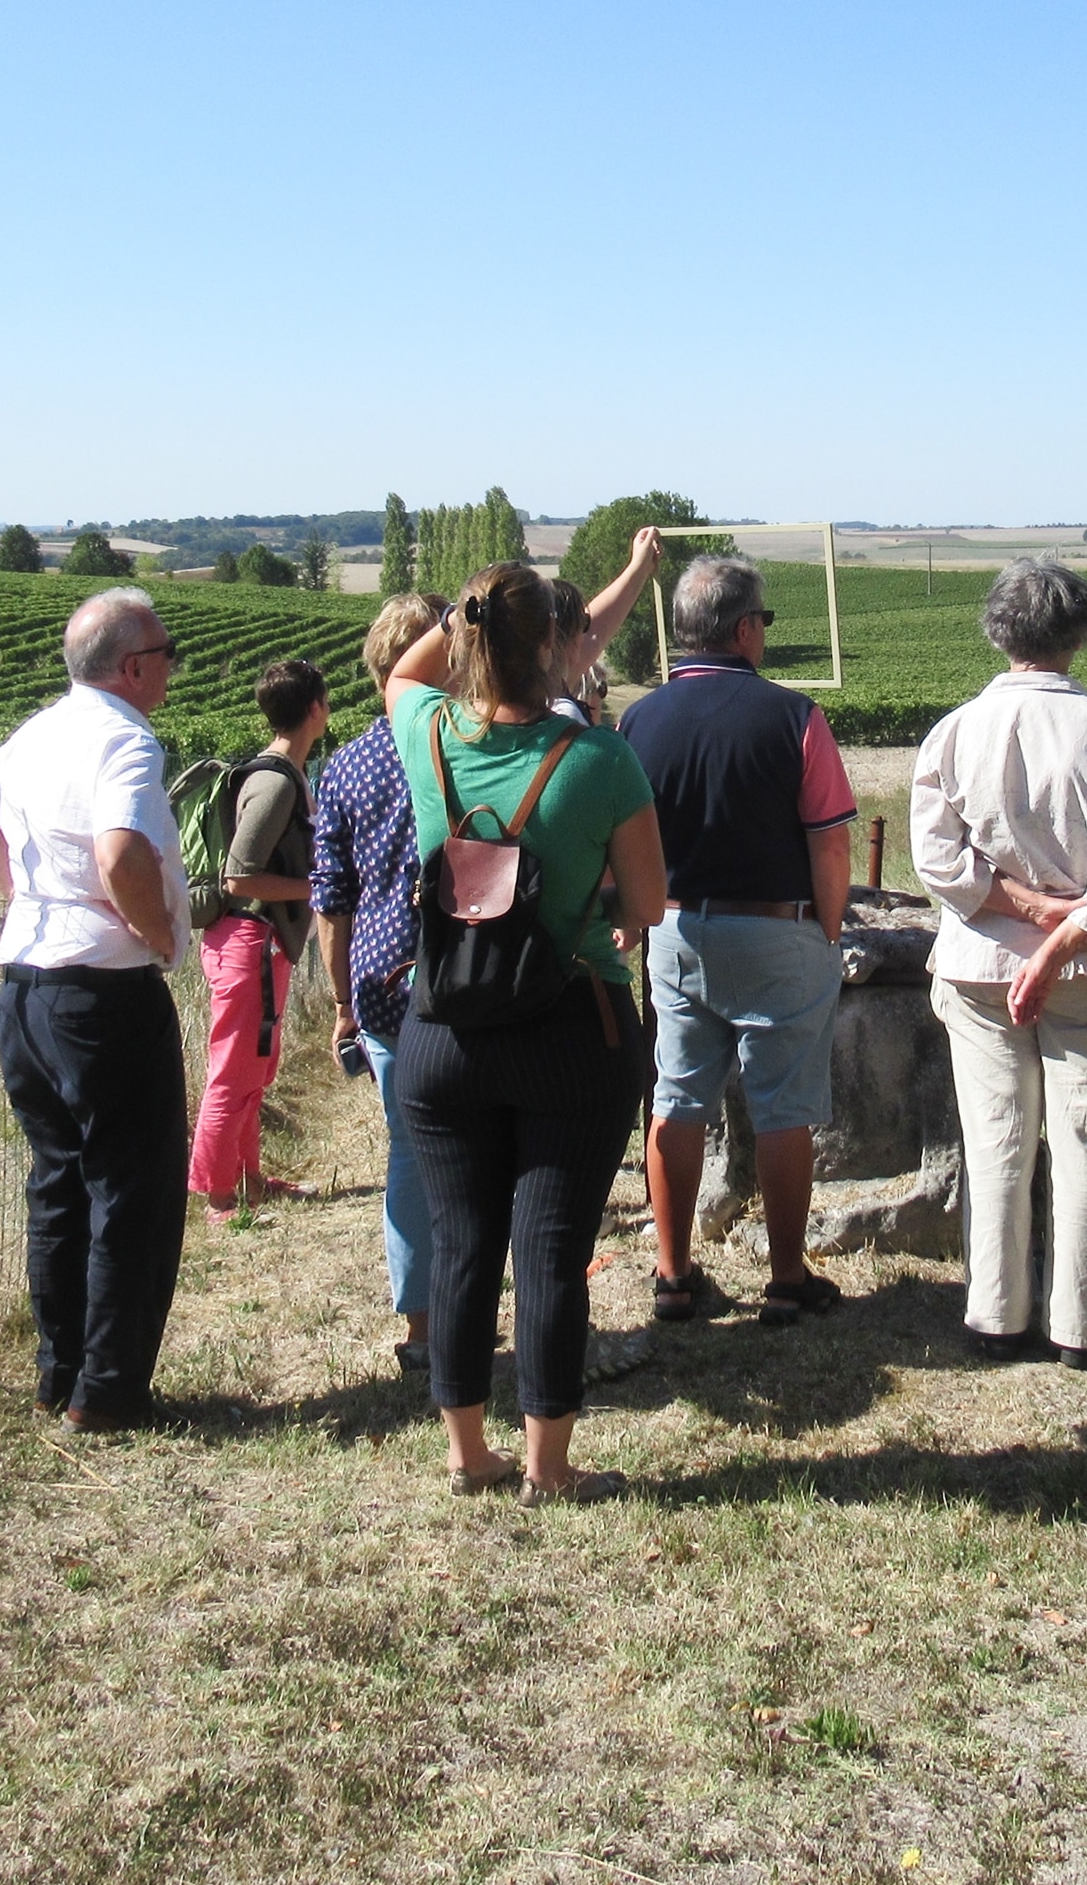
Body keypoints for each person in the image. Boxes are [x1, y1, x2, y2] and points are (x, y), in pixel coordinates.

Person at [386, 563, 666, 1499]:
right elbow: (651, 901)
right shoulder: (597, 758)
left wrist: (473, 602)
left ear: (467, 639)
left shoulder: (426, 732)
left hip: (442, 1030)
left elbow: (402, 675)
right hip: (570, 1027)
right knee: (552, 1249)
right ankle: (549, 1467)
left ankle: (467, 1455)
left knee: (463, 1243)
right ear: (555, 644)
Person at [0, 588, 190, 1432]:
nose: (171, 668)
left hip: (27, 986)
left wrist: (27, 898)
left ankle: (59, 1374)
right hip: (103, 990)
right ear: (132, 667)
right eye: (166, 654)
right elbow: (121, 851)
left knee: (57, 1182)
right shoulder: (125, 738)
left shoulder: (42, 728)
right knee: (131, 1190)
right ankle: (110, 1390)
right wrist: (154, 932)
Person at [911, 561, 1087, 1366]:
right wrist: (1062, 924)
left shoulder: (954, 732)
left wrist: (1025, 916)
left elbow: (937, 861)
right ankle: (1085, 1326)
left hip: (980, 966)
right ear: (1080, 632)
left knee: (995, 1141)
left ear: (998, 630)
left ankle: (994, 1314)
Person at [617, 555, 856, 1326]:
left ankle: (673, 1271)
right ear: (746, 628)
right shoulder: (795, 717)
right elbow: (830, 844)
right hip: (775, 928)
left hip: (676, 927)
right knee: (784, 1108)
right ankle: (787, 1277)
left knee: (678, 1097)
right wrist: (826, 926)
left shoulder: (637, 720)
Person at [312, 594, 447, 1372]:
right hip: (465, 975)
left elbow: (334, 899)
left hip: (383, 982)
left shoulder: (346, 766)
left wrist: (340, 1003)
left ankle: (423, 1329)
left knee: (407, 1151)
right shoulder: (455, 745)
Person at [187, 660, 330, 1221]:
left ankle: (248, 1180)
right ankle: (217, 1196)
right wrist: (316, 887)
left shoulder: (282, 774)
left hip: (254, 941)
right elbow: (239, 877)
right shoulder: (274, 784)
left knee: (254, 1068)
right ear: (316, 709)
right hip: (250, 941)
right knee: (231, 1072)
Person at [546, 529, 662, 726]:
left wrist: (639, 568)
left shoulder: (489, 714)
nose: (584, 635)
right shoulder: (565, 723)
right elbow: (593, 635)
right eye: (580, 628)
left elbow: (595, 634)